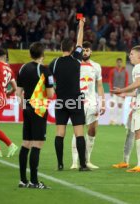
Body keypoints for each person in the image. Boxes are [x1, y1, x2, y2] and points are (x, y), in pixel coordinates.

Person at [49, 18, 90, 171]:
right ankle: (83, 165)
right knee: (79, 133)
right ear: (72, 48)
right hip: (75, 100)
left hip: (60, 101)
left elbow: (48, 81)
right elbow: (80, 42)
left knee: (60, 133)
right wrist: (81, 26)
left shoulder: (54, 63)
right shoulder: (76, 59)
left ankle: (60, 164)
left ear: (61, 47)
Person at [16, 42, 54, 189]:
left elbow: (18, 92)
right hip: (39, 109)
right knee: (37, 145)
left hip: (27, 109)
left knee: (26, 143)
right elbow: (50, 94)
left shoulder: (22, 68)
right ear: (43, 55)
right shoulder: (44, 70)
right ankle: (34, 181)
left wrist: (24, 106)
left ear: (30, 54)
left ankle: (23, 180)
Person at [111, 45, 140, 172]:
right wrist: (125, 94)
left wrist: (122, 89)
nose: (129, 56)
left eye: (132, 54)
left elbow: (138, 83)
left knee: (139, 133)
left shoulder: (138, 67)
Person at [70, 41, 106, 170]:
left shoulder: (96, 66)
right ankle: (75, 161)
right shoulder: (75, 64)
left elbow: (100, 86)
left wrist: (102, 102)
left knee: (92, 129)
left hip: (92, 102)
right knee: (77, 131)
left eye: (87, 50)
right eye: (83, 50)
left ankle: (87, 159)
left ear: (91, 52)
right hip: (77, 101)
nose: (85, 52)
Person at [108, 58, 129, 125]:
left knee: (120, 106)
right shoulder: (112, 71)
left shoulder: (125, 72)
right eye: (118, 62)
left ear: (122, 63)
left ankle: (119, 121)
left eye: (120, 62)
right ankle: (111, 120)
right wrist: (111, 90)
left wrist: (125, 92)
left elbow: (126, 82)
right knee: (112, 105)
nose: (119, 63)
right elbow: (110, 81)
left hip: (122, 91)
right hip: (114, 91)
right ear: (116, 63)